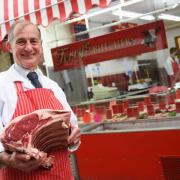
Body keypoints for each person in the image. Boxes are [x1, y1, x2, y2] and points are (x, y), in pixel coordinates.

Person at [0, 20, 81, 179]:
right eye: (21, 42)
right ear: (9, 47)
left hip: (62, 174)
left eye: (33, 41)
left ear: (41, 45)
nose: (29, 48)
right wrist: (6, 158)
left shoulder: (53, 86)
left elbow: (73, 126)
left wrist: (75, 137)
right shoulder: (1, 83)